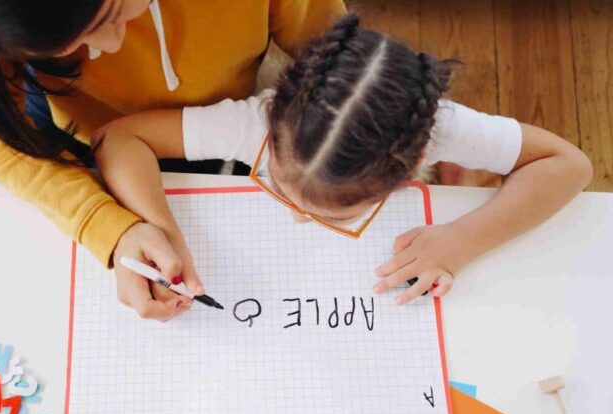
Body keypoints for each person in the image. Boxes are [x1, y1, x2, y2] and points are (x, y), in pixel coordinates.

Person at [91, 15, 593, 306]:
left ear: (416, 159)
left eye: (329, 214)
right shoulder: (256, 120)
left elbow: (569, 165)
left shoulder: (443, 129)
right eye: (285, 192)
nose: (296, 217)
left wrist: (464, 238)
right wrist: (163, 230)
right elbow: (117, 139)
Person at [0, 0, 346, 322]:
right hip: (84, 141)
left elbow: (338, 51)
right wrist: (106, 225)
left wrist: (326, 146)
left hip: (216, 125)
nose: (109, 45)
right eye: (63, 50)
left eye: (115, 13)